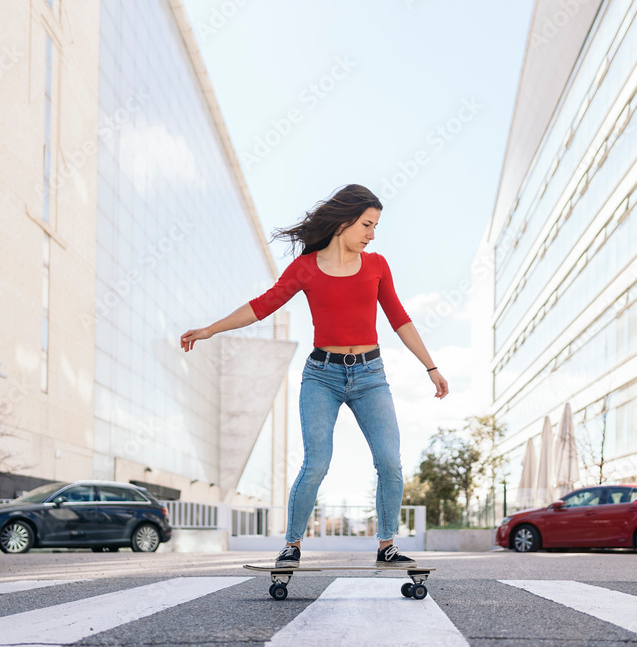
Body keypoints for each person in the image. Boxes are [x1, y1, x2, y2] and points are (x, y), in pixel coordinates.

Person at [180, 184, 448, 568]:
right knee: (317, 462)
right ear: (344, 221)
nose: (372, 235)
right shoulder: (305, 268)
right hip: (321, 376)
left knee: (389, 461)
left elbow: (400, 319)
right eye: (367, 225)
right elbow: (262, 306)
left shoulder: (376, 266)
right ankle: (292, 544)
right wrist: (210, 329)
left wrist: (431, 367)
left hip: (371, 376)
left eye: (375, 227)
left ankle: (387, 545)